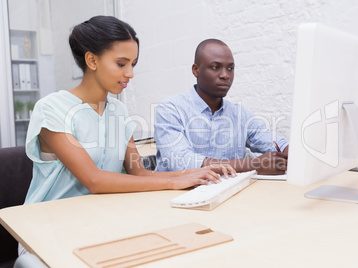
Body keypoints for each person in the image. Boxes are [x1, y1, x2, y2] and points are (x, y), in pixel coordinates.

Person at [23, 17, 236, 206]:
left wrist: (193, 173)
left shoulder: (118, 110)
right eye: (121, 63)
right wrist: (174, 181)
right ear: (92, 60)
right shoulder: (52, 108)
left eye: (133, 64)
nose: (130, 73)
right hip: (47, 223)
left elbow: (139, 172)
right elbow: (94, 180)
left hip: (98, 218)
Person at [154, 39, 289, 175]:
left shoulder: (239, 114)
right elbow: (180, 162)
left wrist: (288, 151)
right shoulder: (171, 109)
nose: (225, 75)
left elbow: (274, 142)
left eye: (230, 68)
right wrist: (253, 164)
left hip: (225, 192)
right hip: (175, 195)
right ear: (196, 70)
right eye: (215, 67)